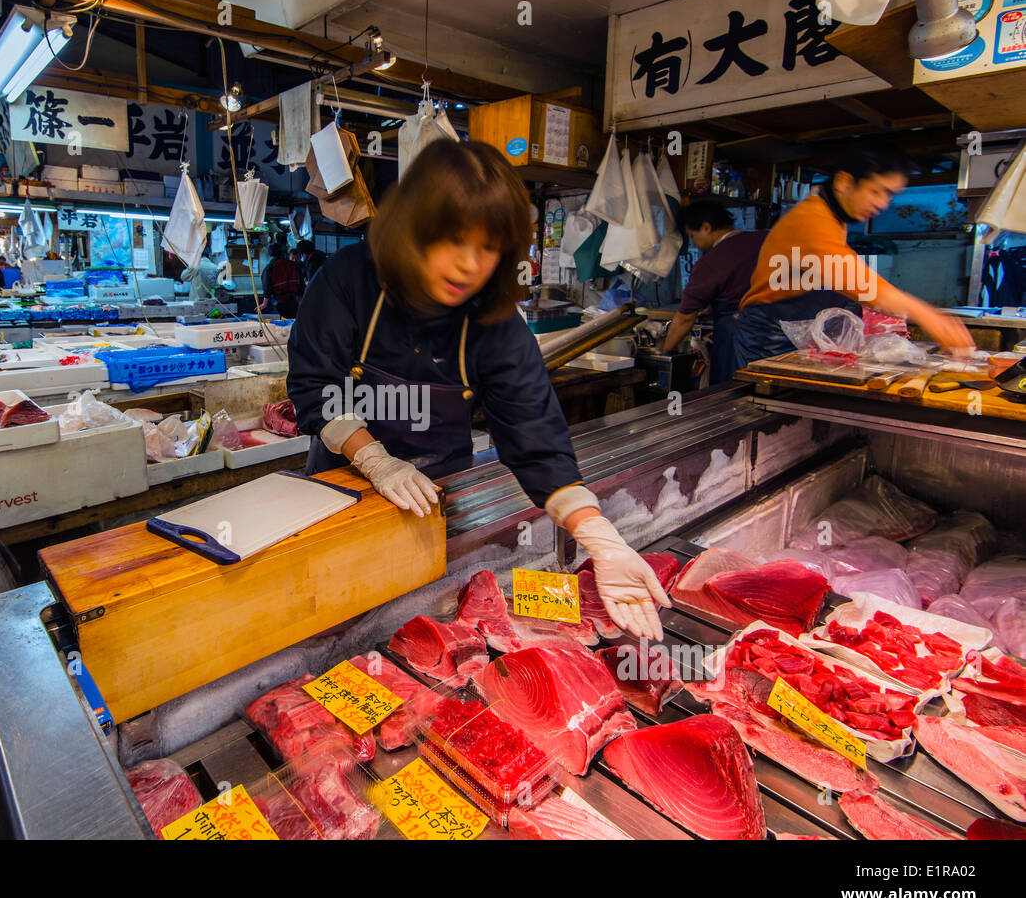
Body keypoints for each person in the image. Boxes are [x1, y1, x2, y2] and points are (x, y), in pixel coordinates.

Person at [287, 139, 670, 640]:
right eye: (453, 241)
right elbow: (315, 386)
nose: (469, 264)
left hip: (442, 493)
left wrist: (597, 535)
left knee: (418, 620)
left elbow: (533, 432)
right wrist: (375, 460)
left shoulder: (494, 321)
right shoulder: (346, 280)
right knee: (329, 624)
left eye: (487, 248)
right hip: (341, 488)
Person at [734, 148, 974, 366]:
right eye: (877, 191)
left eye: (889, 195)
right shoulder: (812, 220)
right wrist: (926, 315)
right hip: (770, 335)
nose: (882, 204)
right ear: (844, 182)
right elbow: (859, 282)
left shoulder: (832, 218)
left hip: (794, 329)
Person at [661, 202, 768, 385]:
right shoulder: (765, 239)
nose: (694, 243)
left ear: (706, 227)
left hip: (740, 340)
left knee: (733, 393)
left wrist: (665, 352)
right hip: (778, 339)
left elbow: (685, 318)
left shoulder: (712, 261)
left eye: (692, 236)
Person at [264, 240, 304, 318]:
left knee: (279, 326)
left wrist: (264, 303)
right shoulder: (294, 265)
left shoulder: (270, 267)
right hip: (293, 301)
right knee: (293, 323)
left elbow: (267, 286)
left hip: (278, 301)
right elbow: (301, 284)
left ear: (270, 254)